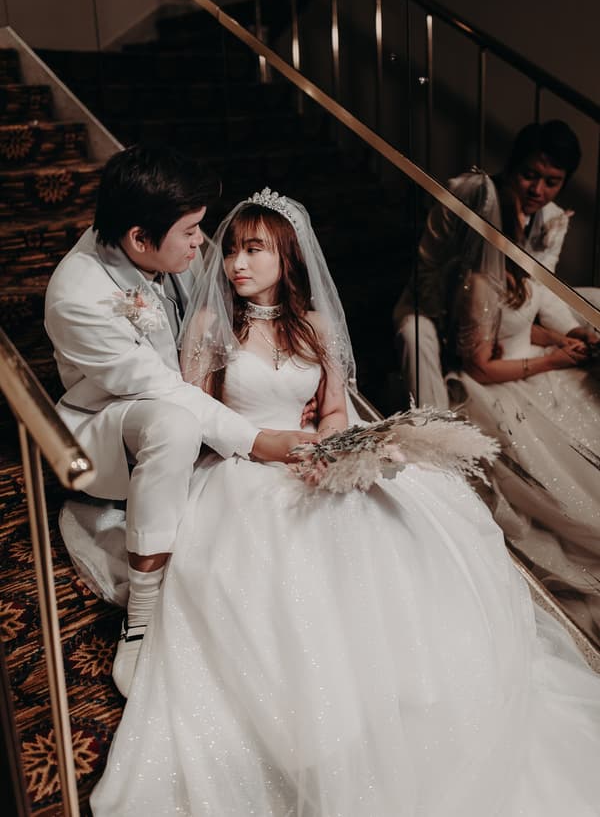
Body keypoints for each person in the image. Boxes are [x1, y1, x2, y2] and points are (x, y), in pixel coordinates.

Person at [90, 188, 600, 816]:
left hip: (313, 461)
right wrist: (267, 450)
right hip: (242, 465)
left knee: (387, 536)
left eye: (254, 249)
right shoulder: (209, 324)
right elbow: (198, 417)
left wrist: (334, 449)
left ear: (287, 254)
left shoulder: (319, 327)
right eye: (230, 251)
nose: (235, 264)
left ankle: (404, 693)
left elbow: (334, 410)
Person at [44, 148, 314, 698]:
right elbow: (161, 387)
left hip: (180, 403)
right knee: (172, 424)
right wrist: (259, 438)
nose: (202, 244)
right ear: (142, 239)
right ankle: (141, 618)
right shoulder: (79, 296)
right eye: (192, 233)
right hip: (102, 427)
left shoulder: (164, 246)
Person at [447, 180, 600, 643]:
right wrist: (552, 359)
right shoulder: (480, 282)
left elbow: (518, 327)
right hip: (496, 383)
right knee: (559, 479)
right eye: (516, 225)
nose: (525, 231)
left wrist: (558, 339)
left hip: (532, 368)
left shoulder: (520, 270)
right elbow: (481, 362)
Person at [393, 119, 584, 408]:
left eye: (551, 182)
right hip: (436, 306)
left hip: (497, 321)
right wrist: (466, 330)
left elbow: (541, 288)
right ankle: (433, 429)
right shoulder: (465, 194)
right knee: (413, 335)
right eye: (529, 175)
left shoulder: (553, 220)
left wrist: (569, 330)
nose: (537, 190)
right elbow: (428, 268)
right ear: (512, 166)